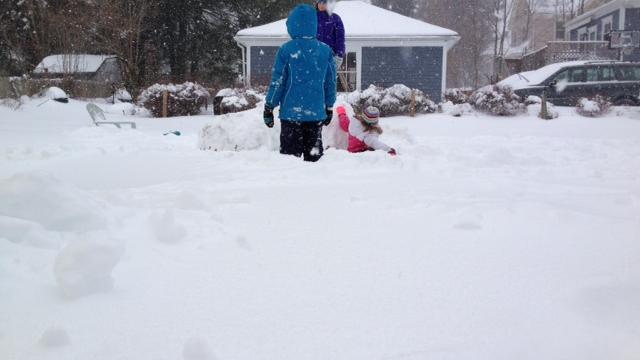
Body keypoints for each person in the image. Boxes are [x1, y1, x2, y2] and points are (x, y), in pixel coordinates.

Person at [263, 4, 337, 162]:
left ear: (292, 24)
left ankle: (291, 187)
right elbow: (330, 82)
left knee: (290, 164)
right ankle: (314, 186)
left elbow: (278, 81)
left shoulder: (286, 50)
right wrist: (329, 106)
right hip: (315, 115)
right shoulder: (325, 51)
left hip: (291, 116)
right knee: (314, 162)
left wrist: (269, 106)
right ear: (314, 24)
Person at [315, 0, 346, 70]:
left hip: (331, 56)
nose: (322, 5)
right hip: (314, 56)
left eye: (324, 3)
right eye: (320, 2)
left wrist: (339, 55)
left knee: (329, 79)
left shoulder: (335, 18)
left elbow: (340, 38)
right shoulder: (312, 18)